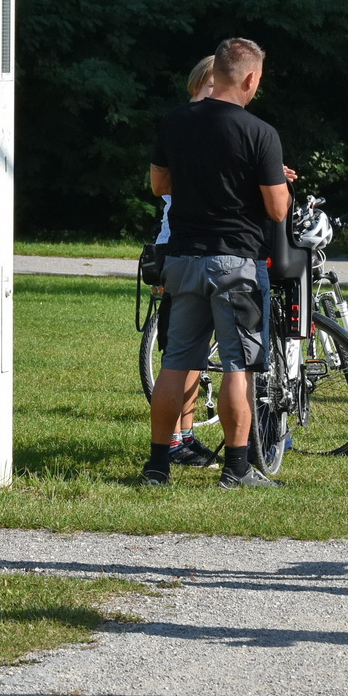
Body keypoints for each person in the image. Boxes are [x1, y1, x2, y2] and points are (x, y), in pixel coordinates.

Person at [143, 38, 290, 489]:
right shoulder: (259, 132)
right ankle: (237, 468)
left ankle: (157, 466)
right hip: (235, 263)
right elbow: (277, 209)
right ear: (250, 78)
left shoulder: (175, 121)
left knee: (175, 362)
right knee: (237, 365)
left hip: (184, 257)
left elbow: (158, 184)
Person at [152, 55, 220, 469]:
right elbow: (161, 184)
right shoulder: (184, 126)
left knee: (194, 354)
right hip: (180, 245)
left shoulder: (212, 126)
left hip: (198, 246)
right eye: (212, 86)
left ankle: (185, 434)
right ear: (198, 85)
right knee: (180, 353)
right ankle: (172, 441)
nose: (219, 95)